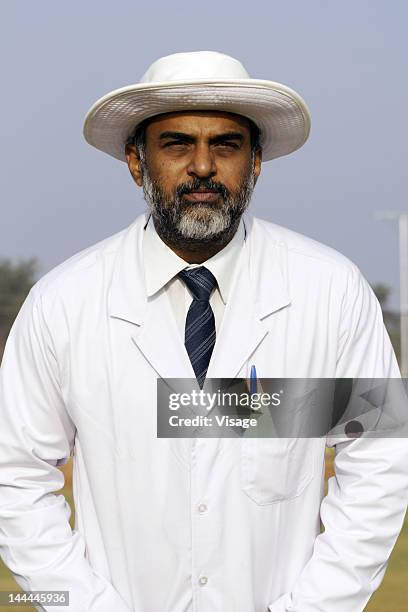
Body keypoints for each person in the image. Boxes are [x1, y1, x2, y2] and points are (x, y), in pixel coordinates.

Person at [0, 50, 407, 612]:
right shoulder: (62, 303)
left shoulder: (332, 291)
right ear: (136, 162)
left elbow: (380, 459)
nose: (202, 167)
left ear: (256, 161)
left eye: (225, 145)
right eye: (176, 144)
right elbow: (14, 478)